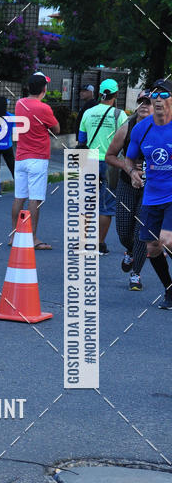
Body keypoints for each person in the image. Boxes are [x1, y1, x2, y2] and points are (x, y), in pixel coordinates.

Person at [125, 79, 172, 310]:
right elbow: (129, 158)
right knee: (152, 247)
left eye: (164, 95)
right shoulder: (141, 129)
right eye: (155, 95)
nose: (159, 99)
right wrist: (133, 172)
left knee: (167, 239)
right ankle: (170, 290)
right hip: (152, 196)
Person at [105, 91, 151, 290]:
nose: (143, 106)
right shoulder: (127, 128)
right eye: (141, 101)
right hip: (126, 183)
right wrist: (127, 167)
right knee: (124, 231)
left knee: (142, 230)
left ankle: (136, 274)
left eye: (148, 103)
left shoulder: (164, 129)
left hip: (152, 187)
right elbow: (110, 156)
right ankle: (130, 251)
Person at [11, 72, 60, 249]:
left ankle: (14, 236)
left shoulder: (19, 103)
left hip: (21, 157)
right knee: (35, 199)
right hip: (38, 157)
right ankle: (31, 238)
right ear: (44, 89)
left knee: (19, 197)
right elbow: (57, 128)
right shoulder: (44, 108)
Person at [78, 79, 126, 255]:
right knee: (106, 205)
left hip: (89, 161)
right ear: (116, 94)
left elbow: (81, 139)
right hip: (110, 164)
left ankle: (82, 242)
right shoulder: (120, 115)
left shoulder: (88, 112)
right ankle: (100, 244)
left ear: (100, 93)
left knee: (87, 203)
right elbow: (124, 141)